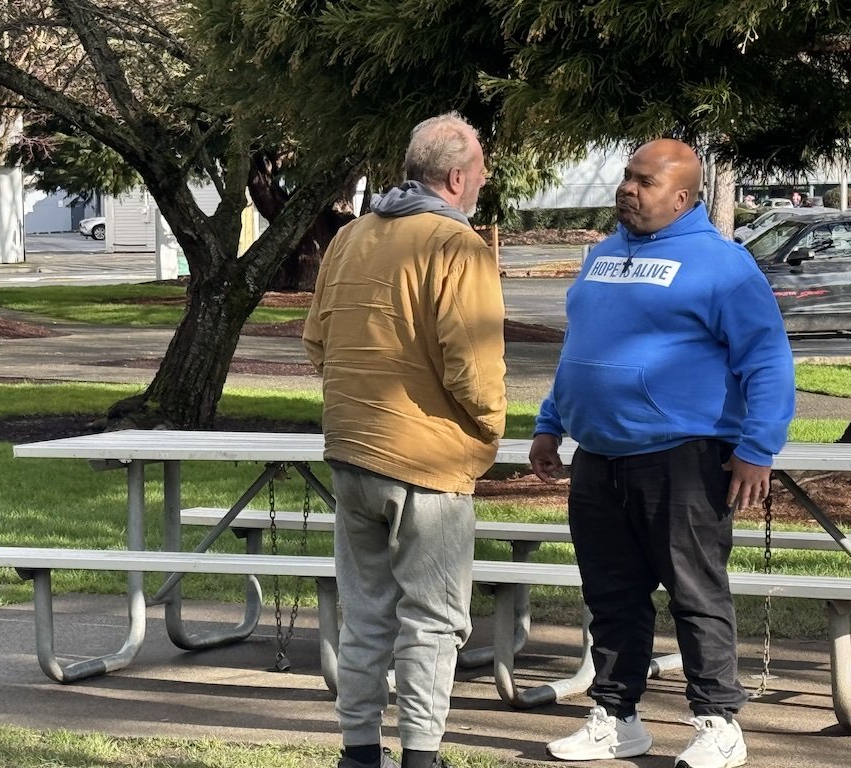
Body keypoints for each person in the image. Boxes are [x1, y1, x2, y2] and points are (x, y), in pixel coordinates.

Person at [529, 138, 795, 768]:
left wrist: (757, 449)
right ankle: (617, 718)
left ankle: (717, 723)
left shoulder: (723, 265)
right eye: (627, 176)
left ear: (682, 196)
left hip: (683, 456)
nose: (628, 188)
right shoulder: (600, 257)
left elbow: (767, 360)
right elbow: (580, 349)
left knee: (694, 594)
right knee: (612, 595)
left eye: (644, 182)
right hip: (599, 455)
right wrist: (551, 422)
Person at [303, 113, 507, 768]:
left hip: (352, 451)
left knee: (365, 614)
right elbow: (471, 364)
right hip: (431, 461)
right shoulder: (459, 246)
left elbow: (316, 342)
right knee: (433, 619)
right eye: (480, 170)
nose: (483, 180)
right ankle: (422, 755)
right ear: (455, 176)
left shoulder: (352, 237)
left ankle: (359, 753)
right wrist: (490, 427)